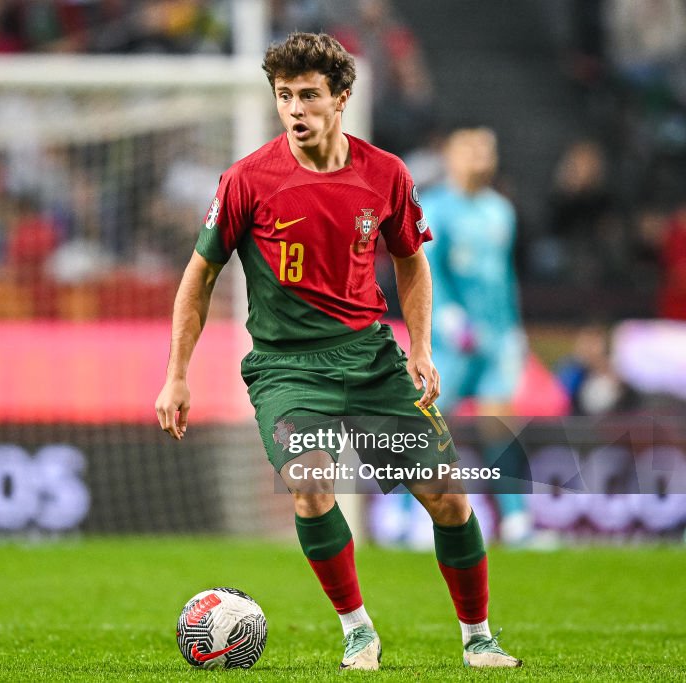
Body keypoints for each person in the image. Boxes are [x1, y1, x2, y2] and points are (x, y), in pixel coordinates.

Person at [154, 32, 521, 670]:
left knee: (450, 498)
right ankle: (357, 630)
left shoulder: (386, 174)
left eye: (309, 95)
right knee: (310, 482)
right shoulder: (246, 180)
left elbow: (412, 263)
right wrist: (175, 375)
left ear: (342, 98)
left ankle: (479, 638)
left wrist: (421, 348)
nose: (295, 109)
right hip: (286, 371)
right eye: (284, 96)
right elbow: (199, 278)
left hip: (372, 361)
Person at [420, 128, 532, 546]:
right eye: (470, 148)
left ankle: (518, 522)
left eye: (487, 148)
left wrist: (515, 330)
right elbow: (427, 272)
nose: (481, 156)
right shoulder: (434, 209)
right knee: (427, 428)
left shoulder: (501, 211)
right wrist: (448, 319)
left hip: (497, 338)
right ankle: (408, 517)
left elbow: (505, 278)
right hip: (451, 342)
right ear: (449, 154)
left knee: (499, 425)